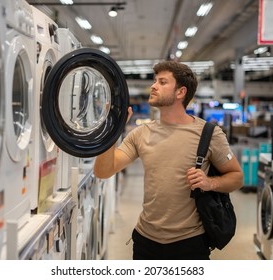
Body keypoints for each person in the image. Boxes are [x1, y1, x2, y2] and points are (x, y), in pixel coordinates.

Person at [93, 61, 243, 260]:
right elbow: (103, 171)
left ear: (181, 92)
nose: (153, 86)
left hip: (190, 244)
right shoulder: (141, 133)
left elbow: (237, 177)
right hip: (145, 240)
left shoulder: (208, 134)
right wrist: (110, 127)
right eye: (155, 81)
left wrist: (210, 183)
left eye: (162, 82)